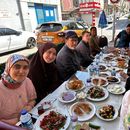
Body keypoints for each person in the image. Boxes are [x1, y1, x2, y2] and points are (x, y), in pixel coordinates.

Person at [0, 54, 36, 125]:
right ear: (8, 68)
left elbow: (32, 99)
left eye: (25, 67)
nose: (21, 71)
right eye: (17, 67)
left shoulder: (27, 81)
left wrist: (29, 107)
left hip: (28, 120)